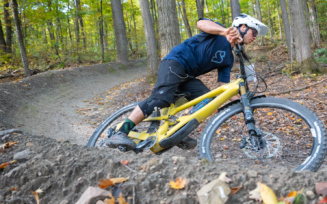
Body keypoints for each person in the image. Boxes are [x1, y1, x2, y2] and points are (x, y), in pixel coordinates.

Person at [105, 13, 269, 150]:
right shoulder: (218, 31)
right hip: (175, 63)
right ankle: (122, 132)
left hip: (187, 76)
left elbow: (222, 86)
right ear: (242, 27)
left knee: (208, 101)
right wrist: (224, 31)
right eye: (254, 32)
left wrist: (241, 100)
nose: (255, 37)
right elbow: (201, 23)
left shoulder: (228, 58)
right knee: (160, 100)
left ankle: (176, 132)